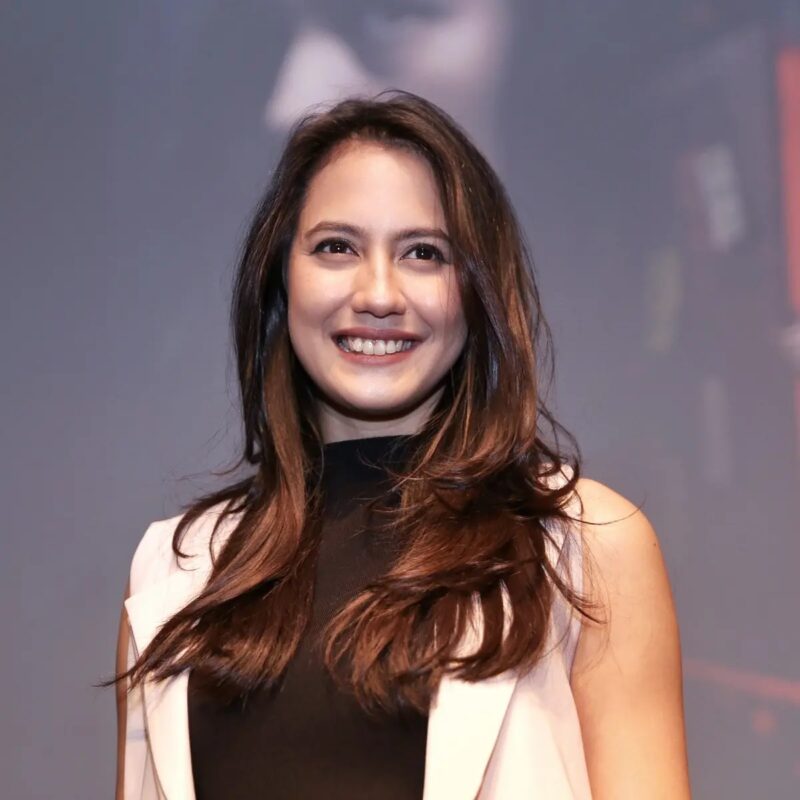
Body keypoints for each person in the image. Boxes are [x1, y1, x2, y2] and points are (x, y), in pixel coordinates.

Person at [112, 90, 691, 799]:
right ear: (280, 279)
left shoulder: (589, 548)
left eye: (424, 253)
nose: (379, 294)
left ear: (476, 291)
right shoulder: (171, 572)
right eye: (336, 247)